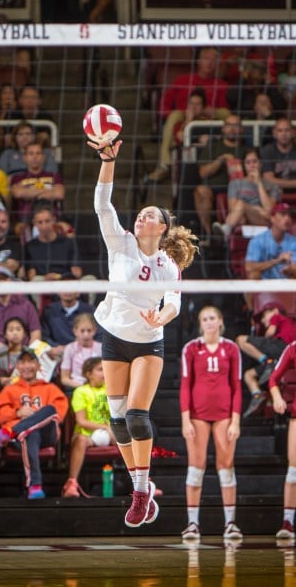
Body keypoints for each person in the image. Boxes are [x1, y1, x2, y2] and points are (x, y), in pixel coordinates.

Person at [89, 136, 198, 528]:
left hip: (149, 342)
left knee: (136, 416)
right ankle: (142, 488)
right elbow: (103, 204)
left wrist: (163, 317)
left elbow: (175, 300)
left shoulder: (169, 262)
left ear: (163, 227)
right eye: (140, 213)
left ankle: (140, 490)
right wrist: (108, 160)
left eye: (150, 215)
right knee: (117, 421)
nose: (141, 217)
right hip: (114, 336)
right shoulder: (120, 243)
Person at [180, 305, 243, 541]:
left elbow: (237, 387)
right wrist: (185, 420)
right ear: (200, 323)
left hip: (225, 416)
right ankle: (193, 524)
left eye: (212, 318)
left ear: (220, 321)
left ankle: (230, 524)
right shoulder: (191, 348)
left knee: (226, 467)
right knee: (196, 468)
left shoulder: (231, 348)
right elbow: (185, 386)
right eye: (204, 319)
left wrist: (235, 421)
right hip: (197, 416)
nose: (208, 322)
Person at [0, 347, 68, 499]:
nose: (27, 366)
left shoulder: (50, 388)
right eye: (22, 362)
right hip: (20, 439)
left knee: (49, 409)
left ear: (38, 366)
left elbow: (58, 415)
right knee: (31, 433)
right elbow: (1, 416)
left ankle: (8, 433)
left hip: (47, 434)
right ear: (17, 366)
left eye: (31, 361)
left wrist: (35, 417)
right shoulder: (9, 389)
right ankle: (35, 485)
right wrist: (17, 413)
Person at [62, 356, 115, 498]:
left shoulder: (111, 389)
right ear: (88, 374)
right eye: (100, 370)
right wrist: (105, 427)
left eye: (106, 369)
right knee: (80, 439)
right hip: (88, 434)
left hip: (111, 434)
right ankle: (72, 483)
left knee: (134, 437)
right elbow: (81, 421)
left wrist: (111, 429)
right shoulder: (81, 391)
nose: (104, 373)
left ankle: (142, 483)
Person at [236, 302, 296, 418]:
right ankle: (257, 394)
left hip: (281, 346)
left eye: (264, 316)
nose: (263, 320)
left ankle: (266, 361)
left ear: (275, 311)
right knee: (248, 375)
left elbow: (270, 332)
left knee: (240, 340)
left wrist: (259, 338)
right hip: (280, 358)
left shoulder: (278, 317)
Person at [194, 114, 247, 242]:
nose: (232, 129)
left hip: (238, 187)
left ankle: (233, 235)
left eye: (236, 126)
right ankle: (209, 234)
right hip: (214, 187)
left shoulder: (247, 150)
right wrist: (220, 161)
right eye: (229, 125)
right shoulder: (213, 146)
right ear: (223, 128)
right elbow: (202, 173)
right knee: (201, 191)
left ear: (241, 129)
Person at [212, 148, 281, 241]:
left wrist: (259, 184)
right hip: (241, 218)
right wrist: (252, 210)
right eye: (248, 163)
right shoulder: (235, 183)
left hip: (261, 219)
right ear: (244, 165)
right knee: (241, 205)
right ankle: (227, 228)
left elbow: (269, 210)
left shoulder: (272, 185)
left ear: (261, 163)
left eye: (255, 162)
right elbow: (233, 208)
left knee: (241, 204)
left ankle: (226, 229)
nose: (252, 165)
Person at [147, 88, 210, 183]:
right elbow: (180, 138)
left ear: (203, 106)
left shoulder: (209, 122)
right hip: (186, 158)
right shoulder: (180, 123)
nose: (194, 107)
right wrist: (189, 121)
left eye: (197, 104)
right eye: (191, 104)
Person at [268, 341, 296, 539]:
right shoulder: (293, 347)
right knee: (293, 471)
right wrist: (277, 397)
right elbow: (273, 379)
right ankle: (288, 521)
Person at [10, 141, 65, 236]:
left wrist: (28, 192)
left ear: (43, 157)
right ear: (25, 158)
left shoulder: (54, 176)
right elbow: (17, 193)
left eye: (38, 153)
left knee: (70, 230)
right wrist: (47, 191)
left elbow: (59, 194)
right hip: (25, 222)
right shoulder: (17, 178)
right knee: (22, 233)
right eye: (31, 153)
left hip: (53, 221)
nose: (35, 157)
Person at [40, 277, 96, 359]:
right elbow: (44, 335)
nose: (67, 291)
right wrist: (55, 347)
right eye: (64, 287)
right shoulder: (49, 310)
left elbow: (99, 335)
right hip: (57, 353)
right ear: (58, 291)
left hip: (85, 352)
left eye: (71, 287)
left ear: (78, 292)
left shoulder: (90, 310)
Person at [245, 202, 296, 280]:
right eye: (283, 214)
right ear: (272, 218)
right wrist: (276, 261)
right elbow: (249, 267)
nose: (287, 218)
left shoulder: (294, 241)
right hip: (264, 282)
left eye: (290, 215)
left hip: (286, 282)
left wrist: (290, 270)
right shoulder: (257, 240)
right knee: (253, 274)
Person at [0, 266, 41, 347]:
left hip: (25, 351)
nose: (1, 283)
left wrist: (29, 353)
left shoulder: (26, 305)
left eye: (4, 279)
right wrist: (5, 351)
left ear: (11, 281)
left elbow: (35, 332)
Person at [60, 313, 102, 395]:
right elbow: (64, 378)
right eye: (82, 331)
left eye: (89, 330)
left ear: (94, 330)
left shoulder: (101, 348)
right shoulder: (70, 348)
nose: (86, 334)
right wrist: (83, 387)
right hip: (76, 387)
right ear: (75, 331)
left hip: (97, 387)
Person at [260, 117, 296, 196]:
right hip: (275, 195)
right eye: (280, 130)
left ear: (293, 132)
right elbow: (268, 179)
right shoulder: (267, 151)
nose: (284, 134)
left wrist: (279, 182)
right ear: (274, 133)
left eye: (287, 130)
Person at [0, 317, 28, 391]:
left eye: (18, 329)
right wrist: (0, 380)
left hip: (25, 392)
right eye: (11, 330)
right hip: (2, 393)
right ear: (5, 335)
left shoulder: (30, 353)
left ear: (24, 334)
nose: (15, 333)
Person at [0, 203, 22, 277]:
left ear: (8, 225)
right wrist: (4, 264)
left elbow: (12, 267)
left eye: (3, 222)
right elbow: (7, 265)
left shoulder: (16, 246)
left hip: (10, 285)